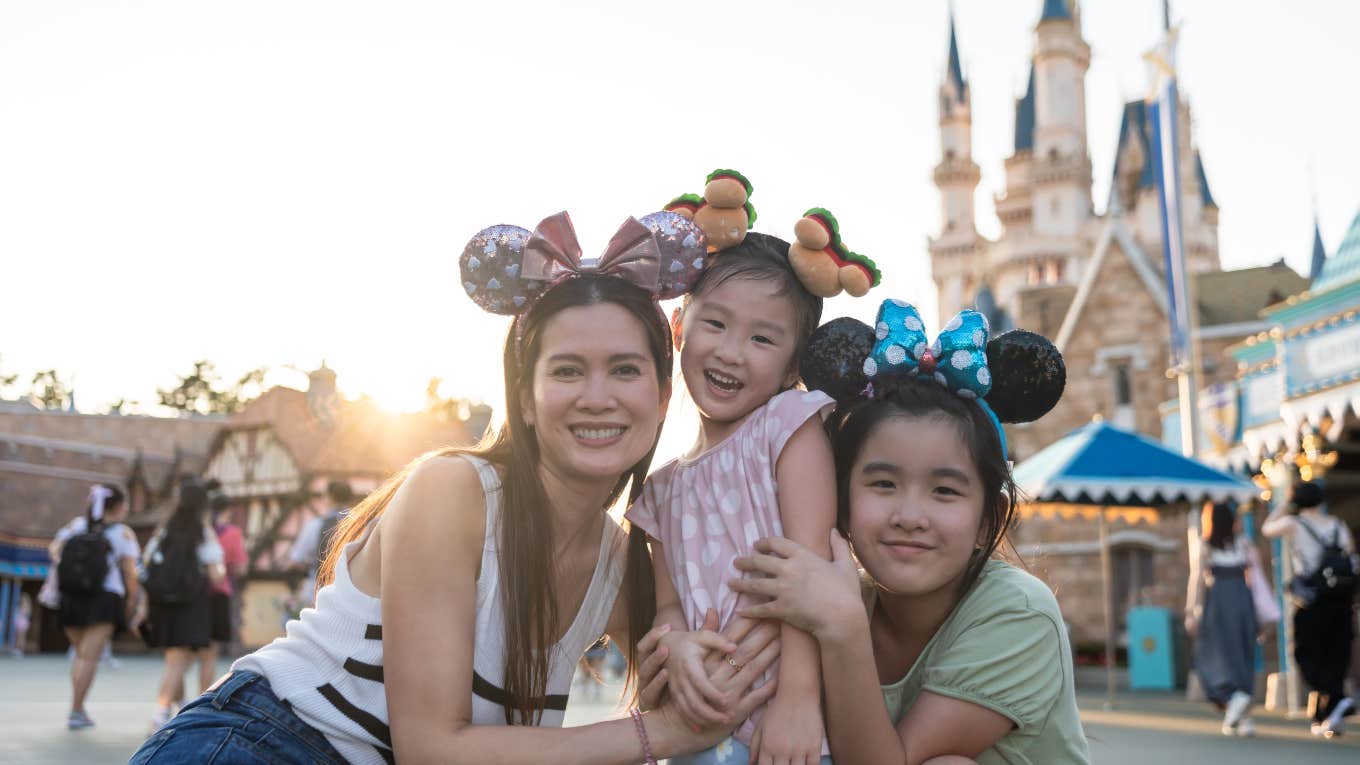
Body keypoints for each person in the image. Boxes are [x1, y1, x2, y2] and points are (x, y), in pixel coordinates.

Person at [129, 209, 779, 764]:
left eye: (626, 369)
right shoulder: (455, 491)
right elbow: (432, 747)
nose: (597, 397)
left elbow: (727, 654)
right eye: (568, 370)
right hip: (269, 742)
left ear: (664, 396)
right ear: (525, 399)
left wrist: (739, 641)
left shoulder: (623, 561)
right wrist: (656, 730)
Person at [699, 300, 1088, 763]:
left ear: (988, 519)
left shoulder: (1020, 613)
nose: (910, 514)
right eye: (883, 484)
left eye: (944, 491)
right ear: (839, 502)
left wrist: (842, 629)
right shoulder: (833, 595)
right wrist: (683, 645)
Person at [626, 230, 839, 764]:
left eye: (762, 339)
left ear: (794, 366)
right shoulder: (661, 488)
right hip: (700, 720)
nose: (730, 352)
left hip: (786, 725)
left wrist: (798, 699)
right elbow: (670, 605)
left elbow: (811, 570)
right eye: (715, 324)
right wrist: (673, 645)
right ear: (679, 327)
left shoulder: (789, 427)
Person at [1262, 480, 1358, 737]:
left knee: (1307, 655)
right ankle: (1331, 711)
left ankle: (1335, 702)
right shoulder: (1337, 525)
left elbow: (1266, 529)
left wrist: (1283, 505)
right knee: (1336, 654)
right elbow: (1350, 553)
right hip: (1340, 599)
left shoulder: (1294, 524)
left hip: (1312, 599)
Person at [49, 483, 141, 729]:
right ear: (120, 507)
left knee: (81, 656)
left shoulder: (76, 526)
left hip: (70, 597)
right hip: (104, 599)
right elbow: (131, 573)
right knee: (89, 658)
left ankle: (77, 707)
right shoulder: (123, 533)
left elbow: (54, 550)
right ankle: (76, 710)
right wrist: (132, 602)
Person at [142, 480, 226, 730]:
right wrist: (221, 568)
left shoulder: (164, 531)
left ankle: (176, 705)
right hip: (190, 603)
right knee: (178, 661)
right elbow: (216, 575)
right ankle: (160, 712)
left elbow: (146, 563)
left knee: (174, 659)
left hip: (163, 603)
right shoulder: (202, 532)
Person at [1185, 501, 1262, 736]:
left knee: (1211, 654)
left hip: (1218, 603)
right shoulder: (1244, 544)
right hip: (1243, 602)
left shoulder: (1206, 545)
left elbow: (1197, 579)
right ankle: (1242, 717)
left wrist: (1192, 610)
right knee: (1242, 654)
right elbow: (1256, 577)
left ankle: (1234, 699)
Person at [287, 480, 354, 606]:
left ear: (328, 498)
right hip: (352, 593)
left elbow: (294, 561)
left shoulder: (315, 525)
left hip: (320, 591)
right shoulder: (361, 525)